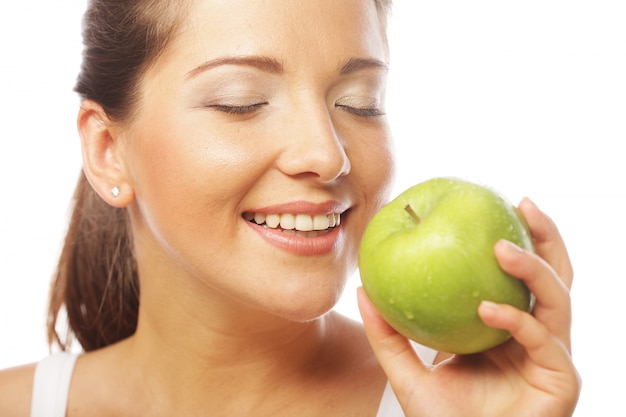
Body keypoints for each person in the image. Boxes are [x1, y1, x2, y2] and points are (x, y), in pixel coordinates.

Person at [0, 0, 580, 415]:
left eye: (361, 103)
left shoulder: (448, 402)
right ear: (108, 151)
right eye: (242, 102)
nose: (327, 155)